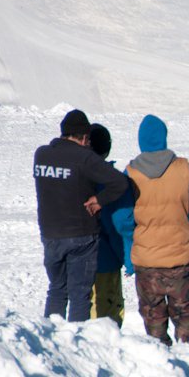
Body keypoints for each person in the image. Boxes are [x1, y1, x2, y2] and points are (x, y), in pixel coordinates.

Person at [113, 114, 189, 345]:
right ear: (164, 137)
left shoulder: (131, 173)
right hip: (179, 260)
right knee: (185, 319)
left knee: (154, 323)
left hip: (147, 263)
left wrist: (138, 236)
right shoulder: (184, 168)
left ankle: (163, 366)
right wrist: (182, 229)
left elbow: (121, 217)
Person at [32, 109, 130, 322]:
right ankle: (75, 344)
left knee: (56, 289)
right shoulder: (84, 157)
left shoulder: (41, 154)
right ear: (85, 138)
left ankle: (51, 339)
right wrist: (99, 200)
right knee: (79, 295)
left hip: (51, 234)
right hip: (82, 235)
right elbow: (120, 183)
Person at [88, 123, 130, 326]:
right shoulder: (112, 181)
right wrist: (126, 257)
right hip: (106, 261)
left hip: (79, 260)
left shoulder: (77, 177)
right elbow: (117, 224)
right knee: (108, 315)